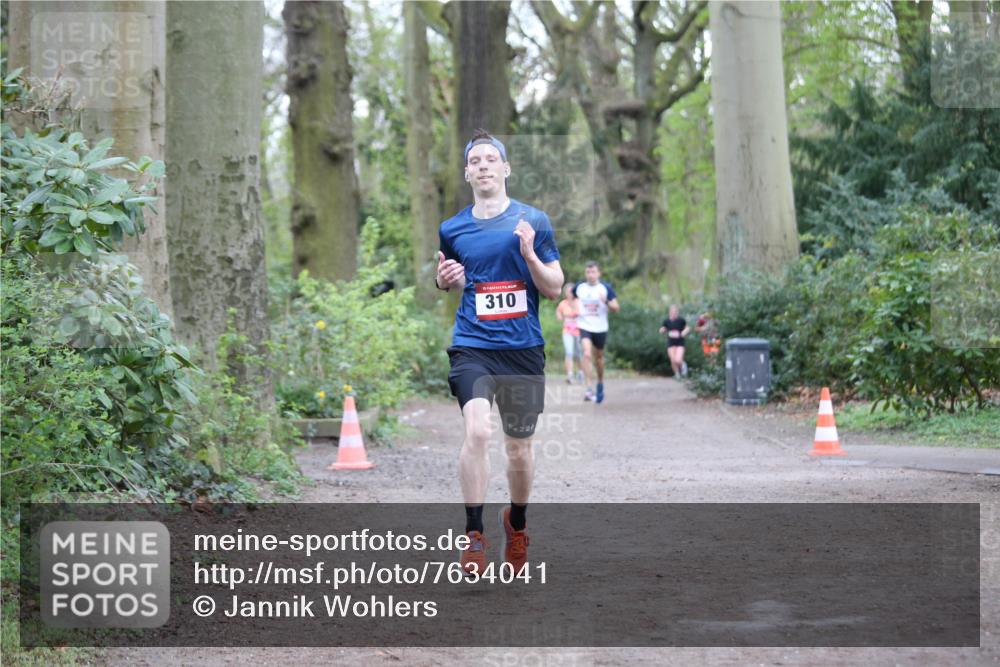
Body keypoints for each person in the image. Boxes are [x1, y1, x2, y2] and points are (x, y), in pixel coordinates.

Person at [435, 129, 564, 575]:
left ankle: (517, 521)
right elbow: (452, 278)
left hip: (523, 349)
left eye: (492, 159)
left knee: (519, 451)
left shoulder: (534, 222)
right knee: (478, 433)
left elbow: (554, 288)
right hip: (472, 345)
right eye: (476, 161)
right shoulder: (452, 228)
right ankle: (473, 534)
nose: (484, 165)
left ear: (506, 169)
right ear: (468, 173)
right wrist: (444, 279)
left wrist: (530, 255)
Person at [574, 262, 620, 403]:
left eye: (593, 272)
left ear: (599, 273)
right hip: (584, 325)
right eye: (588, 272)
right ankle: (589, 388)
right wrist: (574, 308)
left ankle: (600, 381)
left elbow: (616, 308)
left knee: (599, 359)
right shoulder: (580, 287)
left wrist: (605, 301)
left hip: (600, 327)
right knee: (587, 353)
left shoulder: (605, 288)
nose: (590, 275)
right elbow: (570, 297)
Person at [555, 283, 581, 384]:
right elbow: (558, 314)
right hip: (567, 331)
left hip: (579, 331)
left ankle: (580, 372)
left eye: (571, 291)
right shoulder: (563, 304)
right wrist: (561, 317)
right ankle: (569, 375)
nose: (569, 293)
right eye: (567, 291)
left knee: (579, 354)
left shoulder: (579, 302)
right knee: (569, 352)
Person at [659, 304, 690, 378]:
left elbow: (687, 328)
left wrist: (684, 332)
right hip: (671, 343)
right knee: (673, 360)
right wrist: (662, 330)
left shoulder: (681, 320)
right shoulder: (666, 321)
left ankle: (683, 366)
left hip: (680, 343)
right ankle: (677, 374)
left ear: (677, 312)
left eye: (675, 312)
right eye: (672, 312)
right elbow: (663, 329)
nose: (674, 313)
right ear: (669, 312)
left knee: (678, 359)